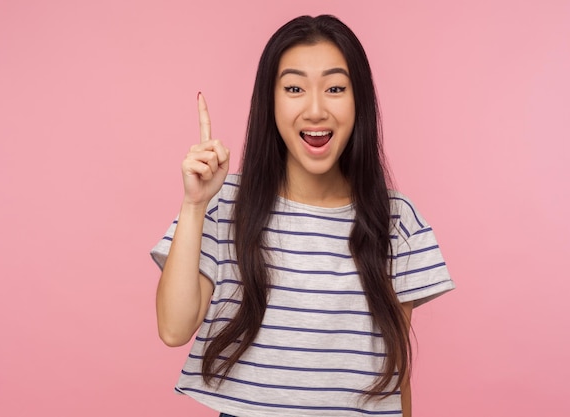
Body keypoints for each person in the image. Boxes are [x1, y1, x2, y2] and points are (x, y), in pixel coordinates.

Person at [151, 14, 455, 417]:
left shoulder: (396, 218)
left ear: (358, 99)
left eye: (334, 88)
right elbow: (173, 329)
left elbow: (396, 369)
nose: (315, 109)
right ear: (270, 102)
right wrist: (194, 205)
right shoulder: (224, 203)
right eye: (294, 88)